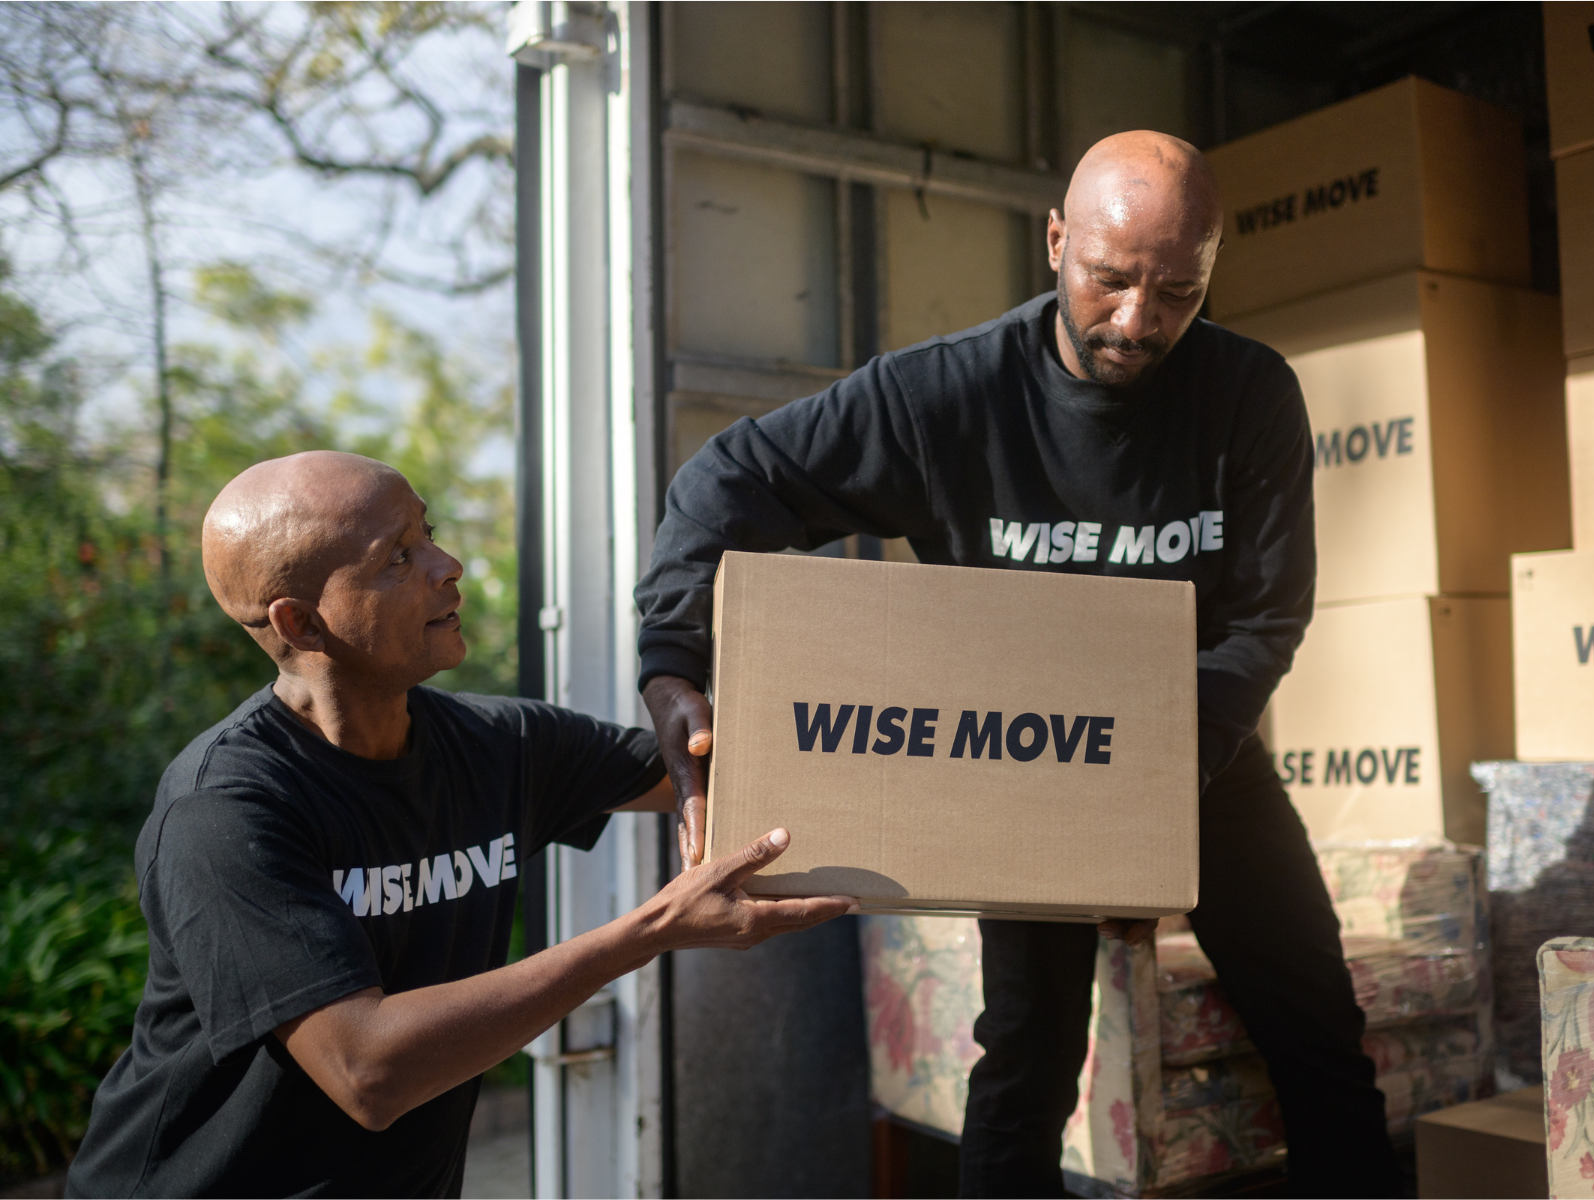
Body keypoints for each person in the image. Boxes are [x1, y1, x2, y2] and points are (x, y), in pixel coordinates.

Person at [633, 132, 1402, 1197]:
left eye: (1178, 291)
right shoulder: (944, 398)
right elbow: (730, 479)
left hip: (1196, 748)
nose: (1139, 321)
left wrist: (1151, 803)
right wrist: (672, 658)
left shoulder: (1250, 396)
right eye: (1112, 279)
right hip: (1024, 760)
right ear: (1056, 243)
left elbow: (1265, 621)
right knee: (1028, 1054)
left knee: (1319, 1031)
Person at [67, 451, 853, 1198]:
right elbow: (368, 1071)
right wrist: (648, 930)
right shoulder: (225, 811)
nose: (449, 567)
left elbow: (717, 773)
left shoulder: (499, 746)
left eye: (429, 533)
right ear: (302, 623)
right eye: (398, 558)